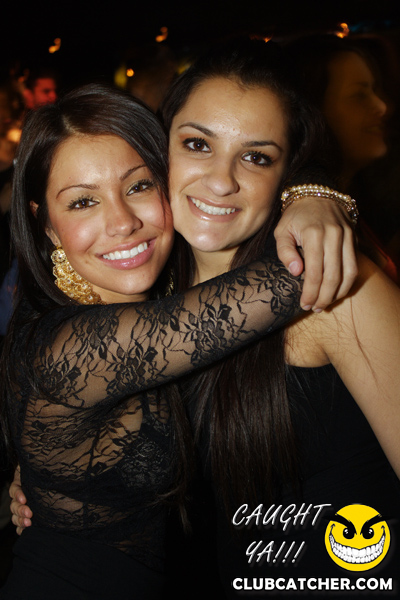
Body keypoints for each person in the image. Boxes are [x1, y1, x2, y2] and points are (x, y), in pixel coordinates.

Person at [0, 82, 355, 599]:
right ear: (48, 226)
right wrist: (317, 195)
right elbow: (300, 273)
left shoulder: (159, 303)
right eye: (82, 201)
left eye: (139, 186)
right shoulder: (70, 347)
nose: (122, 222)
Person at [159, 38, 400, 596]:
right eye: (197, 144)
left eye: (256, 157)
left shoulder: (332, 291)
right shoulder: (146, 294)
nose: (222, 180)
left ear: (288, 171)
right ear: (158, 146)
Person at [285, 33, 398, 281]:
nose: (382, 107)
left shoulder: (357, 202)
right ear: (315, 113)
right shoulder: (307, 230)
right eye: (359, 95)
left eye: (374, 90)